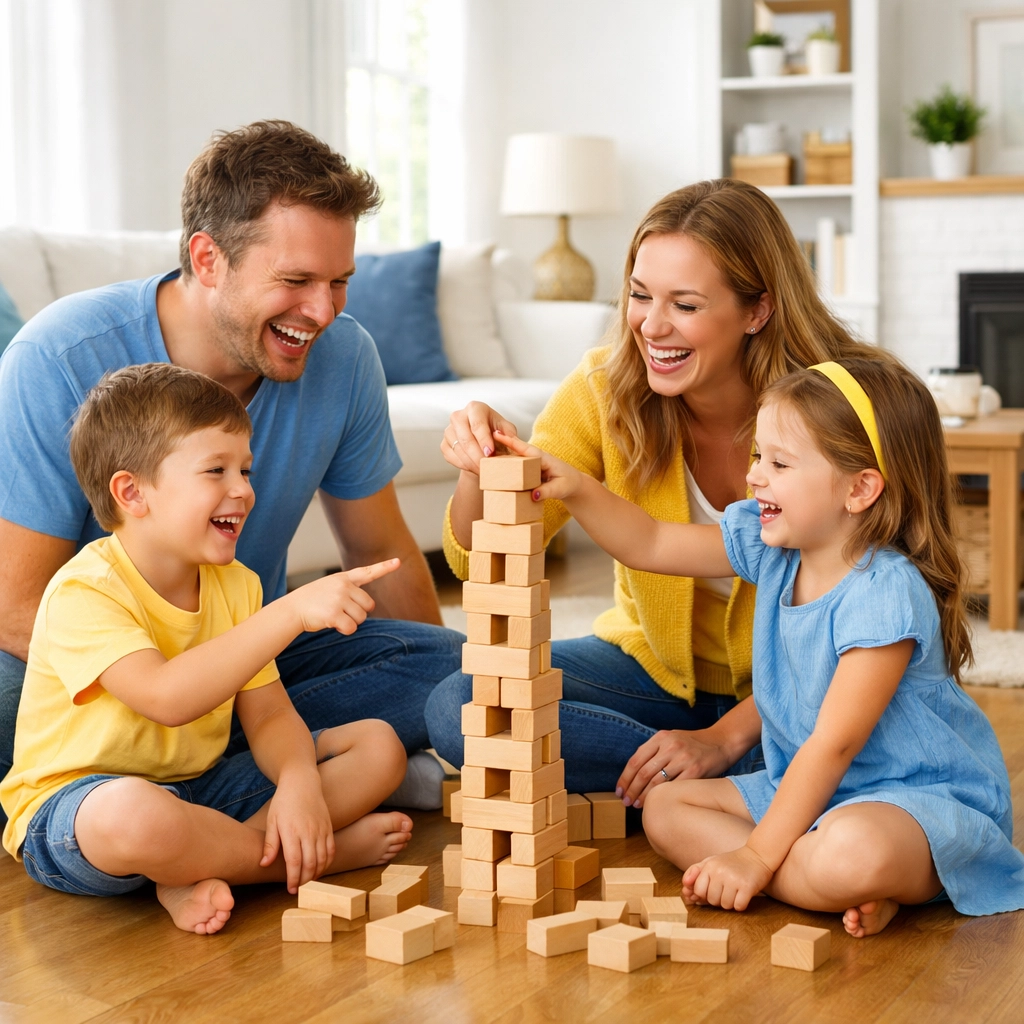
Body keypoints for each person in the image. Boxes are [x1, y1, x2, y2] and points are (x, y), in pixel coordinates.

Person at [0, 121, 463, 821]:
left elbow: (378, 555)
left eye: (339, 282)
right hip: (91, 677)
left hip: (257, 662)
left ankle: (242, 781)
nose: (323, 311)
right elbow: (16, 609)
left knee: (460, 668)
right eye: (296, 280)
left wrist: (444, 699)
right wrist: (179, 691)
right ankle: (283, 774)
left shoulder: (345, 356)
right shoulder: (59, 357)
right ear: (208, 258)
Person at [498, 356, 1024, 936]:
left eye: (778, 462)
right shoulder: (772, 542)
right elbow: (649, 541)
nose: (753, 477)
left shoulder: (886, 592)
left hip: (908, 795)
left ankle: (853, 875)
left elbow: (832, 745)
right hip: (800, 789)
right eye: (757, 457)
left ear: (859, 489)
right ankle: (824, 882)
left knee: (855, 849)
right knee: (667, 806)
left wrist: (752, 857)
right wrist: (575, 488)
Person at [426, 178, 889, 800]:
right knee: (465, 702)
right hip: (654, 677)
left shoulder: (849, 403)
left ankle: (731, 778)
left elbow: (887, 614)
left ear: (759, 309)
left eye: (687, 305)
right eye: (640, 296)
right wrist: (477, 464)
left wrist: (726, 735)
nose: (651, 325)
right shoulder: (603, 388)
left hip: (814, 691)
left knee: (873, 719)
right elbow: (476, 559)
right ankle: (740, 789)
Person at [1, 365, 414, 935]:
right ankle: (296, 862)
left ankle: (197, 867)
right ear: (132, 493)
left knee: (379, 745)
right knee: (136, 814)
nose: (243, 488)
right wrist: (290, 612)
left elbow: (269, 714)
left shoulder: (238, 584)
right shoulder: (84, 590)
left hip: (201, 791)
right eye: (215, 470)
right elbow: (167, 698)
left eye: (245, 468)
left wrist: (297, 783)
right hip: (79, 813)